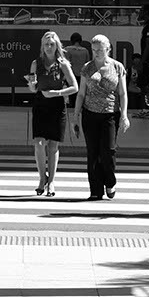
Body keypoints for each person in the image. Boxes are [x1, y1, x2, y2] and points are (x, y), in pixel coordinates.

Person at [73, 34, 129, 201]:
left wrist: (124, 114)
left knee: (108, 150)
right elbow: (81, 93)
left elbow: (123, 93)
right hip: (89, 114)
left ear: (108, 49)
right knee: (93, 152)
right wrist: (76, 116)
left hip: (110, 114)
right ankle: (95, 189)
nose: (97, 52)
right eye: (94, 49)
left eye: (100, 49)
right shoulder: (87, 68)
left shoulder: (117, 67)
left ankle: (110, 182)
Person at [25, 31, 78, 197]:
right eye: (46, 44)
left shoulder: (63, 64)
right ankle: (42, 178)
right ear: (42, 46)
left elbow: (75, 87)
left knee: (53, 145)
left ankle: (52, 181)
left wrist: (57, 92)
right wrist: (32, 84)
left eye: (52, 44)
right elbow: (33, 89)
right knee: (39, 143)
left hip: (57, 105)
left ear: (57, 46)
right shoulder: (36, 63)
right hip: (40, 104)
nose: (49, 47)